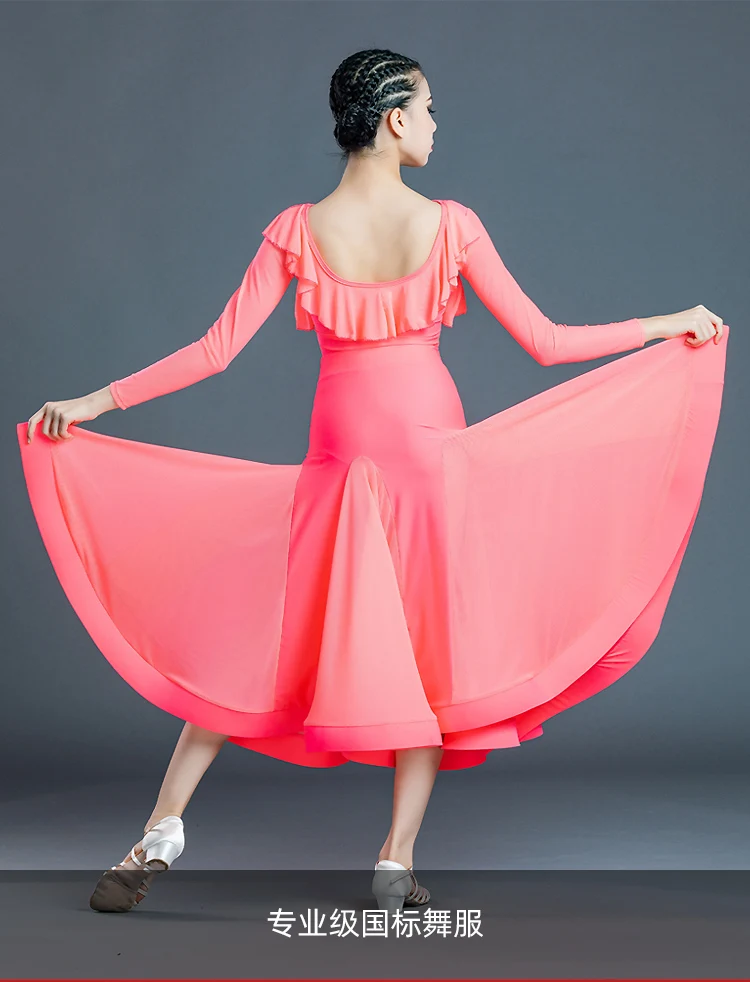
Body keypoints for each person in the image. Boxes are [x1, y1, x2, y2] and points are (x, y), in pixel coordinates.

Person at [17, 48, 727, 915]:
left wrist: (96, 400)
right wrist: (669, 324)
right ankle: (396, 858)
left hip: (338, 457)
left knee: (258, 645)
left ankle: (158, 832)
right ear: (394, 118)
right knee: (426, 653)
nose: (435, 125)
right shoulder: (451, 224)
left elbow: (214, 351)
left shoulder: (298, 228)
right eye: (428, 109)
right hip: (428, 459)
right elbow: (547, 342)